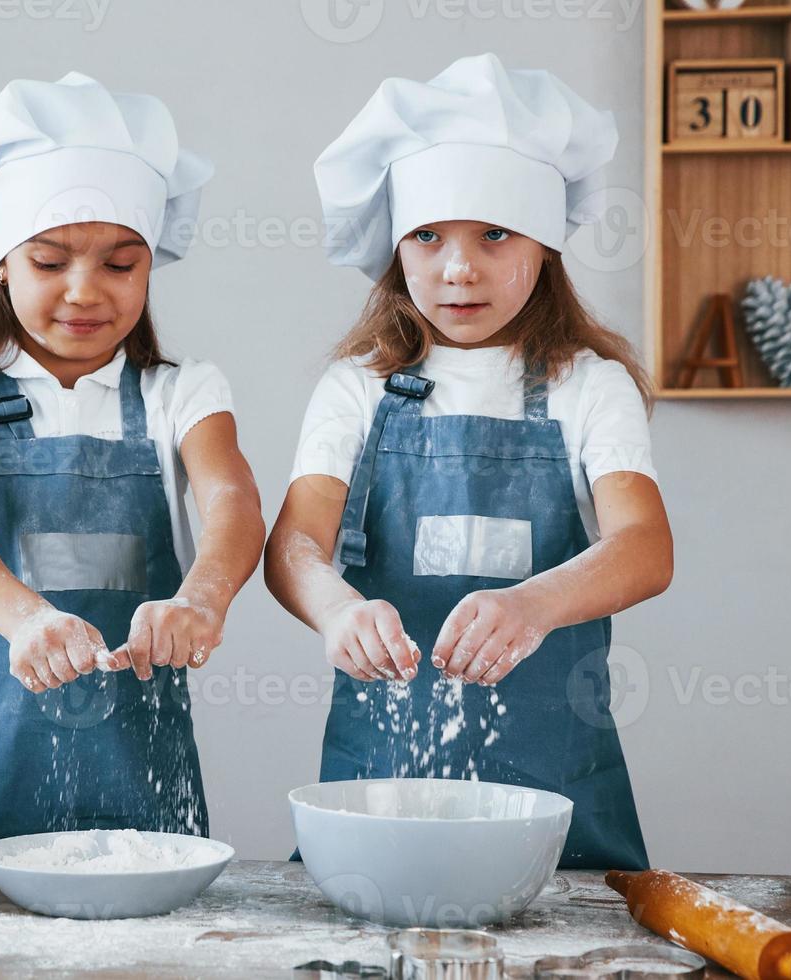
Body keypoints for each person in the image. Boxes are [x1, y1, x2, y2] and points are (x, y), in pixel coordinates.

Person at [264, 54, 673, 870]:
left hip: (554, 794)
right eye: (427, 235)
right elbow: (291, 548)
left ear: (545, 243)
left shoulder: (586, 387)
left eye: (494, 233)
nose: (458, 268)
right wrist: (337, 610)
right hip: (380, 788)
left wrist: (536, 603)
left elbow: (645, 547)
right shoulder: (357, 388)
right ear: (395, 250)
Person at [0, 71, 265, 855]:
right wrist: (26, 619)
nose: (83, 291)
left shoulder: (182, 392)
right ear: (2, 262)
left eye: (119, 265)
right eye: (49, 261)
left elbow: (232, 503)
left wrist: (201, 600)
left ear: (148, 267)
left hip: (144, 793)